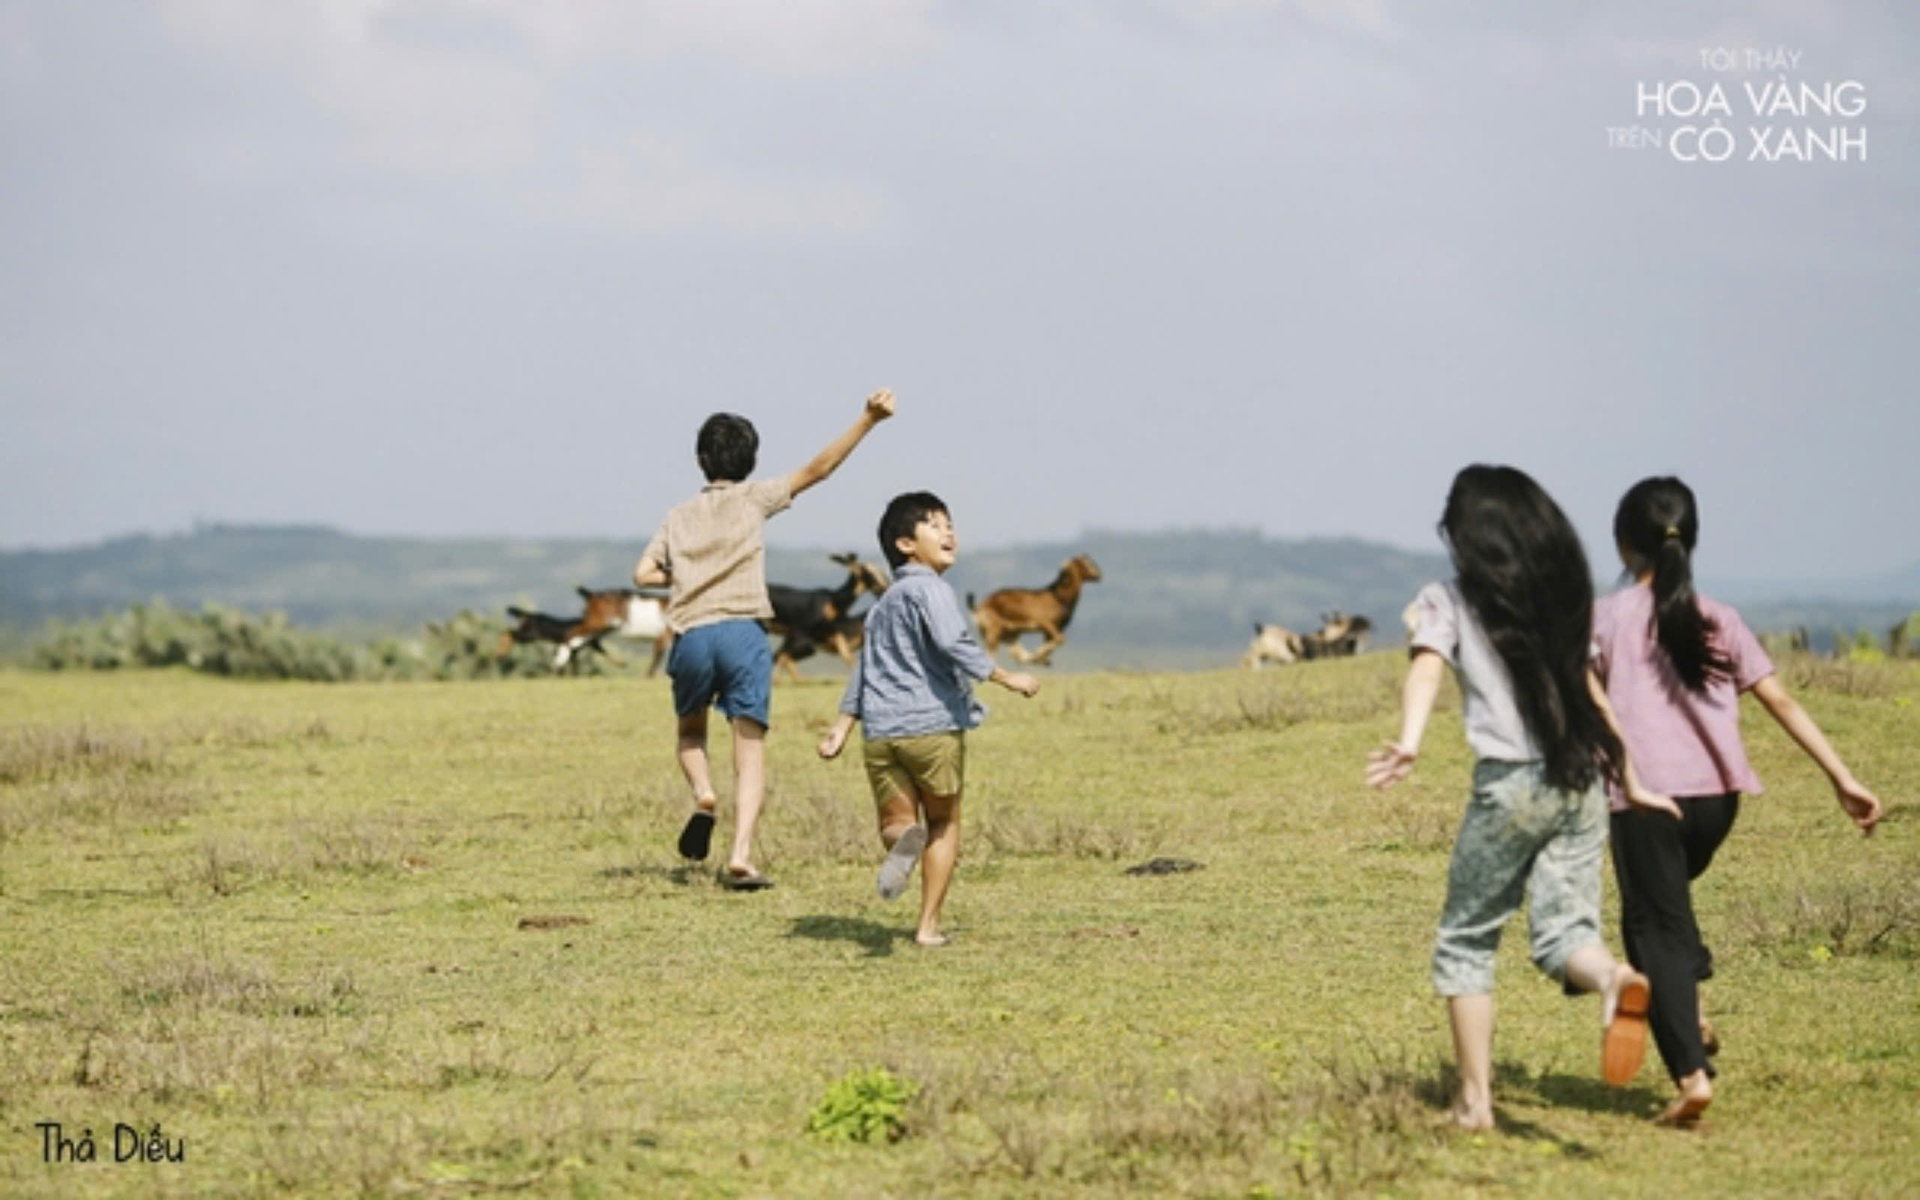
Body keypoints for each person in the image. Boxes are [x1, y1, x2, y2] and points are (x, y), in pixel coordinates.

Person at [1365, 464, 1678, 1132]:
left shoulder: (1445, 599)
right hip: (1580, 781)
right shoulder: (1562, 602)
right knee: (1567, 933)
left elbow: (1425, 669)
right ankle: (1614, 980)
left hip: (1510, 786)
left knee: (1466, 942)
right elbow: (1593, 694)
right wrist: (1633, 776)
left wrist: (1409, 741)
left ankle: (1475, 1103)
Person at [1592, 476, 1882, 1126]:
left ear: (1622, 543)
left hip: (1646, 797)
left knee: (1653, 931)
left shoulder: (1605, 618)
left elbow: (1583, 696)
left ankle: (1692, 1073)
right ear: (1688, 540)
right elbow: (1780, 699)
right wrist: (1843, 777)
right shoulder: (1721, 617)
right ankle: (1687, 1002)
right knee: (1667, 909)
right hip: (1719, 802)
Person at [633, 390, 896, 890]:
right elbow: (819, 469)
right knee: (749, 751)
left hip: (691, 634)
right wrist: (868, 419)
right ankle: (740, 856)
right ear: (751, 462)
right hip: (743, 633)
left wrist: (689, 575)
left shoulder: (677, 516)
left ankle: (705, 795)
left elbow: (642, 572)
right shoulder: (755, 498)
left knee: (690, 734)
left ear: (700, 461)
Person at [817, 492, 1038, 946]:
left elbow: (865, 667)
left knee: (895, 823)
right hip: (931, 727)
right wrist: (1002, 675)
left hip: (881, 734)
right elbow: (953, 640)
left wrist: (842, 725)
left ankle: (904, 840)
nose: (949, 532)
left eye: (949, 524)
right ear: (905, 544)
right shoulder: (931, 590)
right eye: (934, 525)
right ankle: (927, 927)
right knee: (944, 822)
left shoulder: (882, 605)